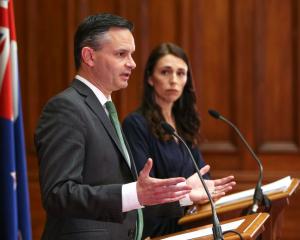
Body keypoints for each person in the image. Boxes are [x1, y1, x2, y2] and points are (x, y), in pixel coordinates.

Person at [34, 14, 197, 240]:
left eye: (131, 54)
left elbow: (128, 196)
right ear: (89, 56)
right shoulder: (65, 108)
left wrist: (184, 196)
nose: (132, 63)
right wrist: (134, 192)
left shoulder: (104, 109)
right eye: (121, 54)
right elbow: (58, 194)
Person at [123, 42, 236, 238]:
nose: (173, 80)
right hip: (156, 230)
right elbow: (144, 191)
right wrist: (187, 194)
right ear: (150, 78)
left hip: (188, 222)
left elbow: (203, 177)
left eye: (181, 73)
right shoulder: (136, 124)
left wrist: (200, 191)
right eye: (165, 72)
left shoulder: (183, 124)